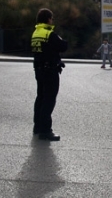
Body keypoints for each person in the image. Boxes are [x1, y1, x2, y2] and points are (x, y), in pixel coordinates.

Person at [31, 8, 68, 141]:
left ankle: (37, 127)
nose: (52, 20)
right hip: (50, 70)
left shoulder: (36, 32)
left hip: (39, 70)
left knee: (40, 97)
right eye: (51, 18)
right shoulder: (49, 33)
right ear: (48, 19)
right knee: (49, 99)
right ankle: (46, 131)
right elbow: (63, 46)